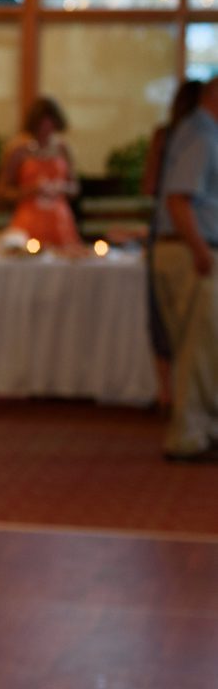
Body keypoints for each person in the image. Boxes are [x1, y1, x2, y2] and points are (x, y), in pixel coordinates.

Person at [152, 77, 218, 464]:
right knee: (198, 348)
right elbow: (179, 200)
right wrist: (200, 251)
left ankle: (203, 428)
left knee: (203, 347)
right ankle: (188, 436)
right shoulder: (202, 136)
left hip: (185, 250)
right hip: (190, 252)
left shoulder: (194, 131)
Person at [142, 79, 203, 413]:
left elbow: (150, 186)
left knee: (161, 313)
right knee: (195, 320)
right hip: (190, 233)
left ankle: (167, 393)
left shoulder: (164, 136)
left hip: (162, 233)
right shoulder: (201, 138)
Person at [0, 96, 82, 248]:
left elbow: (75, 187)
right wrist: (31, 190)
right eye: (42, 125)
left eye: (51, 125)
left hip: (59, 220)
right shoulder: (18, 149)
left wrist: (60, 187)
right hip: (29, 217)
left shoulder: (62, 148)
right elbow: (1, 189)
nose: (47, 130)